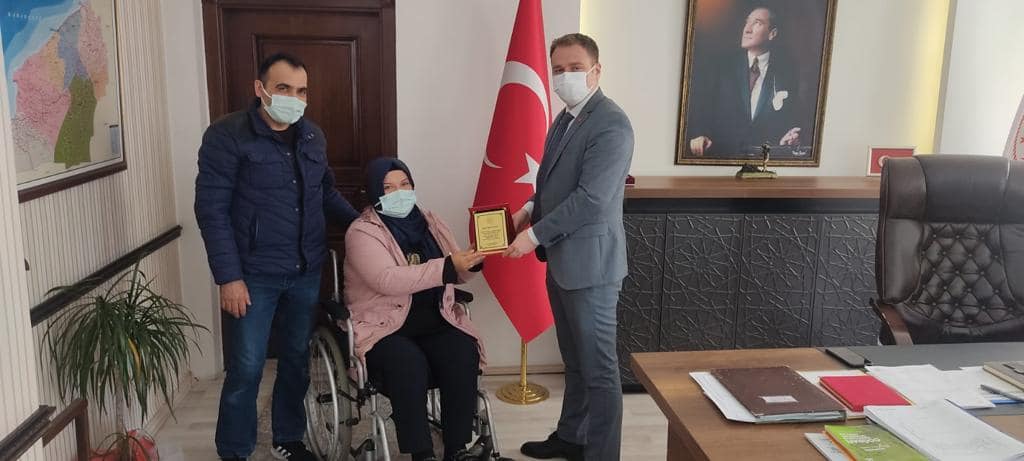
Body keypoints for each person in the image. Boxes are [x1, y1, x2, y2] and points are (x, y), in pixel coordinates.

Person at [195, 53, 358, 461]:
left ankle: (288, 437)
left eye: (301, 91)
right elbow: (211, 210)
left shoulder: (312, 136)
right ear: (260, 89)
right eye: (284, 88)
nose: (294, 98)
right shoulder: (227, 136)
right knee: (247, 367)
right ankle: (234, 450)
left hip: (305, 270)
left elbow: (325, 193)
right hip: (252, 277)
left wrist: (365, 226)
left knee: (297, 361)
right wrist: (228, 278)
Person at [504, 33, 634, 461]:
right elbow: (554, 182)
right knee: (574, 361)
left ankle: (601, 454)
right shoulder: (565, 118)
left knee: (599, 369)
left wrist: (533, 235)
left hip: (591, 267)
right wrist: (527, 209)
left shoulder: (612, 124)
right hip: (562, 261)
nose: (565, 76)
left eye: (575, 68)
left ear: (596, 70)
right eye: (558, 69)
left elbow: (591, 198)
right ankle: (572, 437)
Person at [344, 158, 487, 461]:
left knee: (462, 351)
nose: (399, 192)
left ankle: (456, 448)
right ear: (374, 191)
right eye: (388, 187)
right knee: (408, 363)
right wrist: (447, 266)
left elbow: (456, 272)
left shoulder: (431, 222)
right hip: (385, 327)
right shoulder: (361, 232)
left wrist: (472, 263)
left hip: (434, 317)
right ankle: (422, 453)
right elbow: (386, 280)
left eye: (405, 184)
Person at [687, 5, 803, 157]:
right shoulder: (721, 66)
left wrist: (785, 139)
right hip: (720, 158)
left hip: (761, 162)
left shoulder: (787, 73)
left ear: (772, 34)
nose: (747, 29)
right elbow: (700, 109)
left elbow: (787, 123)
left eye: (757, 23)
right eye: (747, 22)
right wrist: (698, 134)